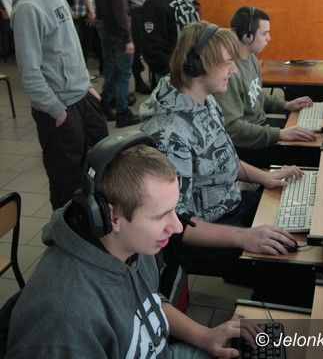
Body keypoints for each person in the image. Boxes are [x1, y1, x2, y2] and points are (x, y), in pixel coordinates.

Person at [5, 133, 258, 358]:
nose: (177, 227)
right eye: (160, 216)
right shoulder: (66, 321)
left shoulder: (132, 244)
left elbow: (149, 302)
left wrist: (206, 336)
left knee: (273, 344)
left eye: (173, 210)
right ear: (110, 216)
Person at [140, 21, 302, 283]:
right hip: (203, 234)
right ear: (197, 66)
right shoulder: (169, 135)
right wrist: (245, 237)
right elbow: (176, 223)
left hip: (230, 206)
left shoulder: (206, 101)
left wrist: (265, 177)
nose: (234, 70)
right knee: (294, 269)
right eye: (228, 63)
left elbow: (223, 159)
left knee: (295, 221)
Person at [11, 0, 108, 210]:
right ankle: (66, 233)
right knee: (67, 184)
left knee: (102, 166)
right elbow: (29, 73)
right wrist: (57, 110)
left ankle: (95, 224)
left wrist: (86, 85)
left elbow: (68, 48)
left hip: (82, 96)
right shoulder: (28, 7)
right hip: (60, 107)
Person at [214, 6, 316, 168]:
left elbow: (255, 95)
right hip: (247, 146)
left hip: (262, 129)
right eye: (264, 33)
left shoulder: (251, 58)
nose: (269, 38)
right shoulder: (229, 73)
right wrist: (280, 134)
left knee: (315, 138)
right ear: (247, 36)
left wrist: (285, 105)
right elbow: (232, 128)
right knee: (312, 154)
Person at [95, 0, 140, 128]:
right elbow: (120, 12)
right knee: (123, 73)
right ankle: (123, 111)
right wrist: (128, 39)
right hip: (119, 33)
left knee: (113, 69)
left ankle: (105, 103)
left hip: (108, 30)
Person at [141, 0, 200, 84]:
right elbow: (152, 49)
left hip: (190, 68)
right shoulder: (154, 4)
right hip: (171, 74)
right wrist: (174, 71)